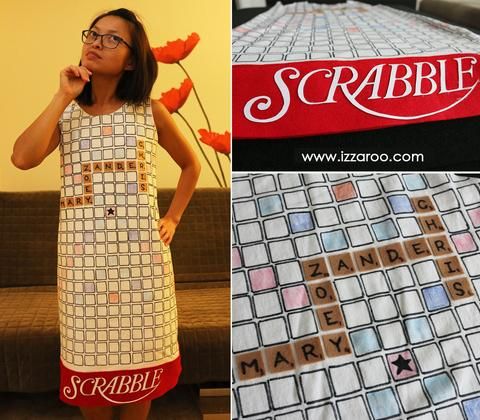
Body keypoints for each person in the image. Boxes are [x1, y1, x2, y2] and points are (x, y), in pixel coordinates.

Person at [11, 8, 201, 420]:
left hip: (143, 268)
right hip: (84, 269)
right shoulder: (66, 115)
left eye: (113, 38)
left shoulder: (151, 112)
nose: (96, 42)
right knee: (89, 371)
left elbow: (191, 165)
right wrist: (62, 95)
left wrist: (173, 218)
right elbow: (21, 158)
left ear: (132, 59)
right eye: (93, 34)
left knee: (140, 367)